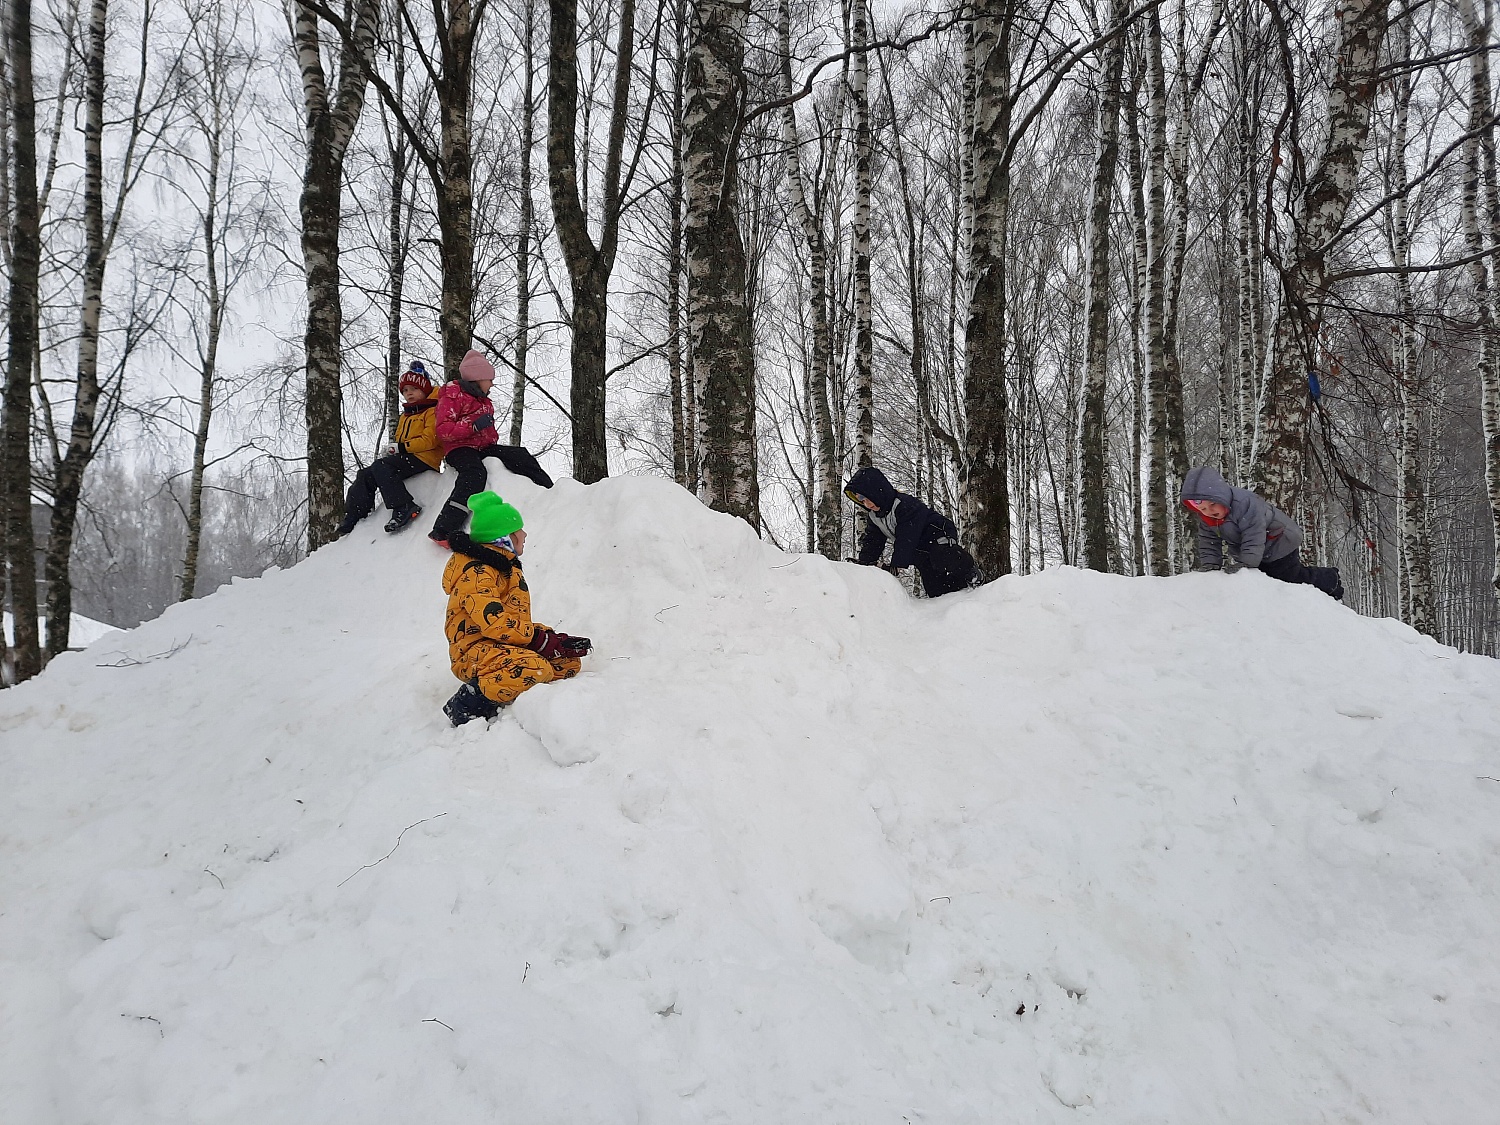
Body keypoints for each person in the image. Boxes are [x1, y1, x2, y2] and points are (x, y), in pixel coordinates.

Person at [440, 491, 592, 726]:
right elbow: (495, 624)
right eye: (518, 530)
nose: (525, 534)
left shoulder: (504, 567)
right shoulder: (477, 574)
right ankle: (467, 704)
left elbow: (511, 621)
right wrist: (540, 641)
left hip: (501, 644)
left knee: (567, 663)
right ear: (504, 538)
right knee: (536, 668)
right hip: (474, 652)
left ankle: (514, 684)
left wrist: (554, 640)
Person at [429, 350, 554, 547]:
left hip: (482, 447)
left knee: (518, 454)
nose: (492, 384)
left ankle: (551, 491)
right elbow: (444, 430)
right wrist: (473, 426)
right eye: (489, 379)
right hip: (459, 448)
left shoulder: (483, 400)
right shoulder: (453, 396)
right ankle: (443, 529)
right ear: (477, 378)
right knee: (474, 474)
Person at [1180, 465, 1344, 599]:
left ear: (1221, 496)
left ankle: (1330, 579)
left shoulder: (1245, 504)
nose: (1209, 511)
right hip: (1259, 550)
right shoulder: (1208, 519)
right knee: (1265, 583)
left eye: (1213, 505)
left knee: (1290, 580)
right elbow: (1209, 541)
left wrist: (1247, 562)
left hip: (1279, 542)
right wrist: (1211, 564)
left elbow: (1253, 534)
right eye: (1202, 509)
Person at [336, 361, 442, 536]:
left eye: (414, 389)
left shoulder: (432, 410)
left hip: (426, 459)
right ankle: (354, 515)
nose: (409, 393)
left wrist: (401, 447)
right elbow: (401, 439)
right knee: (366, 474)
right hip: (409, 457)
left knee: (381, 466)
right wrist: (395, 449)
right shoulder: (406, 415)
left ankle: (404, 505)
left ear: (425, 390)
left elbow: (430, 440)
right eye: (406, 390)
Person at [844, 466, 978, 597]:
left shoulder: (903, 504)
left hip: (937, 534)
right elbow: (873, 541)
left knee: (942, 556)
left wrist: (897, 565)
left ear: (876, 492)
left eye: (867, 497)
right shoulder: (874, 517)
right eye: (861, 499)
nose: (866, 503)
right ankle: (963, 591)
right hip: (919, 550)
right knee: (935, 590)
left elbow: (907, 536)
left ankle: (971, 572)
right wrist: (864, 563)